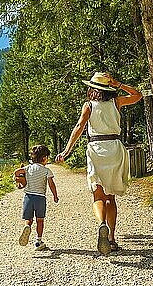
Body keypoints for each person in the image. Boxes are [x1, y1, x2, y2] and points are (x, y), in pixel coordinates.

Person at [56, 72, 142, 255]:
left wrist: (67, 150)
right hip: (115, 148)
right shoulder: (116, 102)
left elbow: (79, 127)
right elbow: (137, 95)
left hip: (96, 149)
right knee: (111, 198)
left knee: (98, 196)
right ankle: (111, 239)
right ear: (108, 88)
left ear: (92, 88)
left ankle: (101, 224)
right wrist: (119, 83)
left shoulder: (88, 106)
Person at [15, 145, 59, 251]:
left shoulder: (27, 168)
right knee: (40, 220)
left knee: (29, 219)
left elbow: (17, 172)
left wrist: (18, 181)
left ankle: (28, 227)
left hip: (28, 197)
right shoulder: (46, 170)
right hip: (40, 198)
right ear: (44, 158)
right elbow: (51, 184)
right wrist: (55, 195)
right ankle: (38, 241)